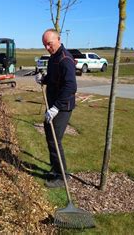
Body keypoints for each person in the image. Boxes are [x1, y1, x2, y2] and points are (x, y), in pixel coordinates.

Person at [35, 28, 77, 188]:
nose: (47, 47)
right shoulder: (54, 57)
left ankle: (62, 176)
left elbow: (70, 86)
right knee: (49, 136)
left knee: (55, 139)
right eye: (45, 45)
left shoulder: (65, 59)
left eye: (49, 44)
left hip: (62, 107)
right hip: (53, 104)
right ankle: (55, 168)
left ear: (58, 39)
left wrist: (56, 108)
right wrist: (43, 79)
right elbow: (54, 80)